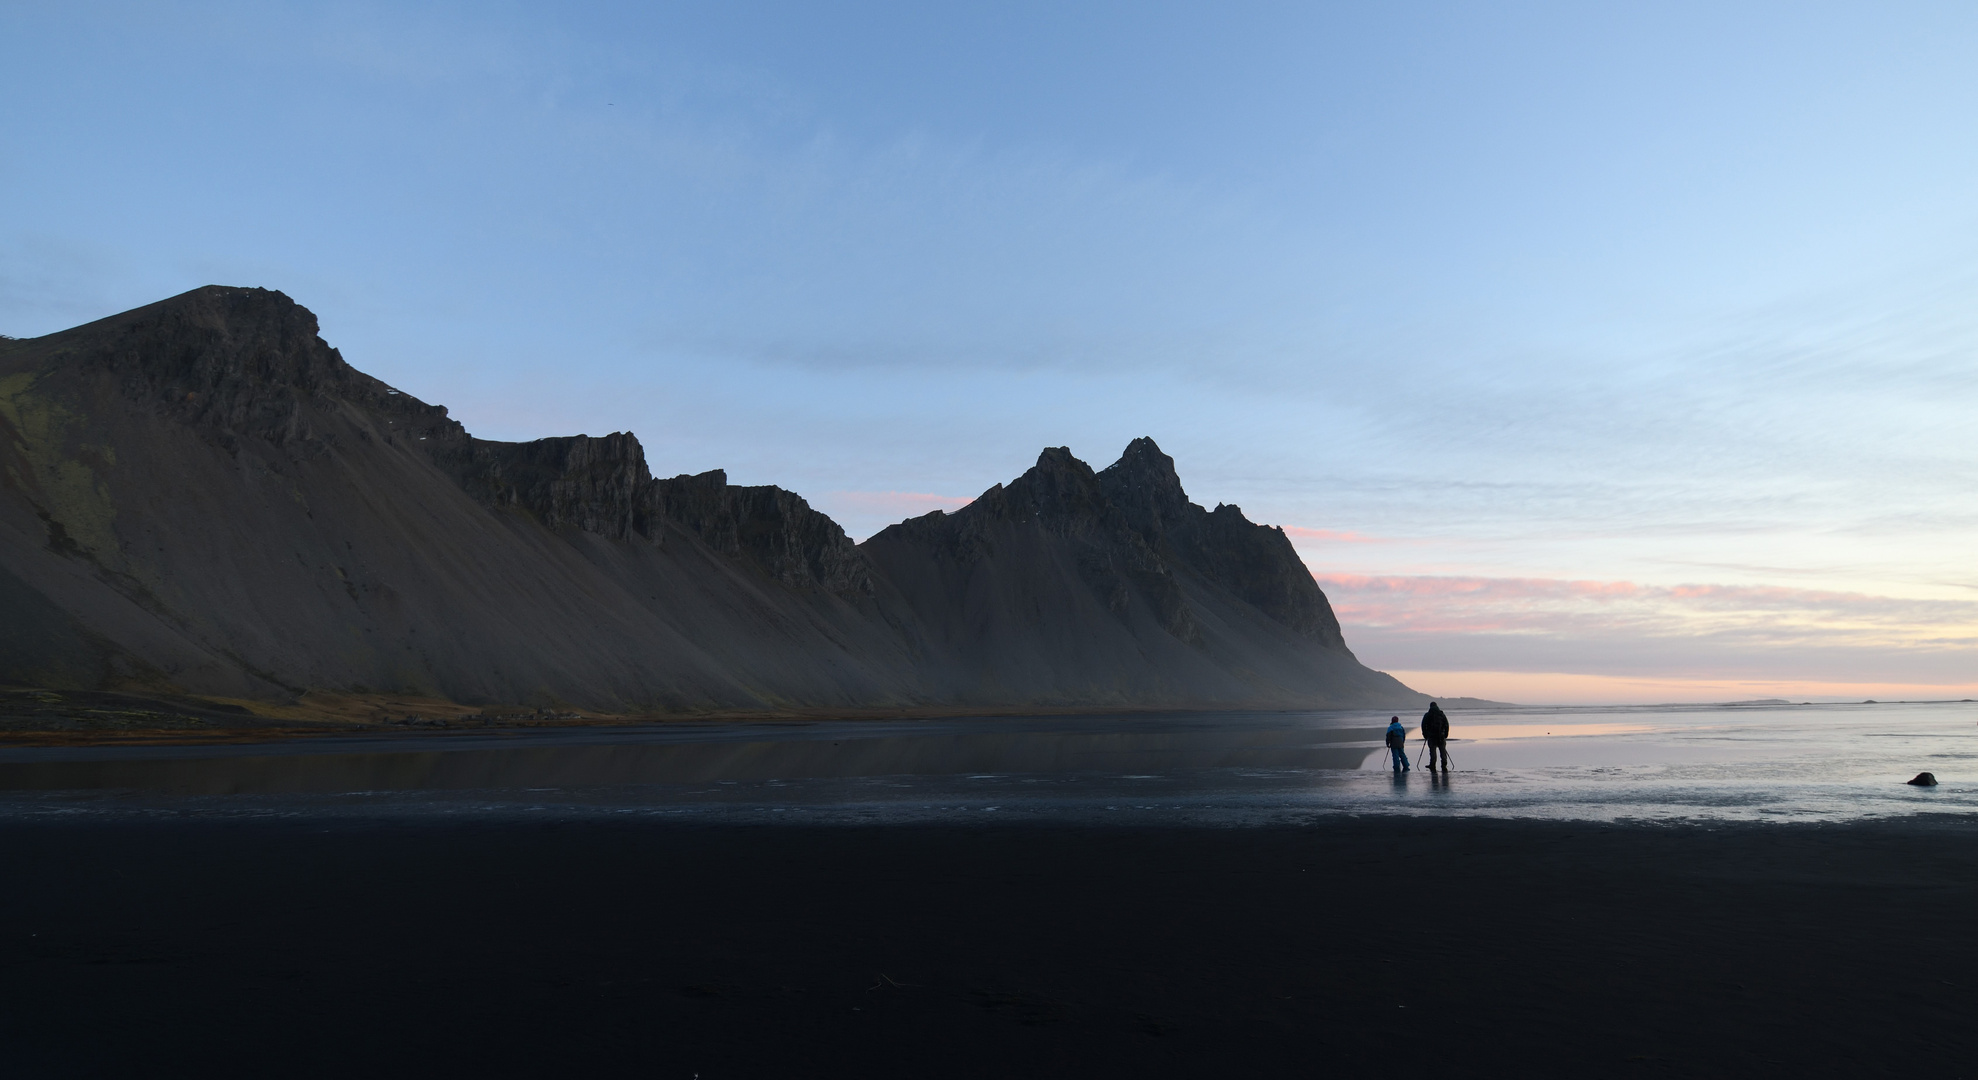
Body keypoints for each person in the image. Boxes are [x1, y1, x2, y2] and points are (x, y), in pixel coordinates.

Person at [1421, 701, 1451, 772]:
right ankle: (1444, 764)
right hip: (1441, 736)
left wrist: (1425, 735)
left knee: (1432, 751)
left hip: (1431, 736)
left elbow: (1423, 725)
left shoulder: (1427, 715)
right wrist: (1446, 734)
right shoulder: (1441, 714)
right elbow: (1446, 724)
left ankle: (1432, 764)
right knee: (1442, 750)